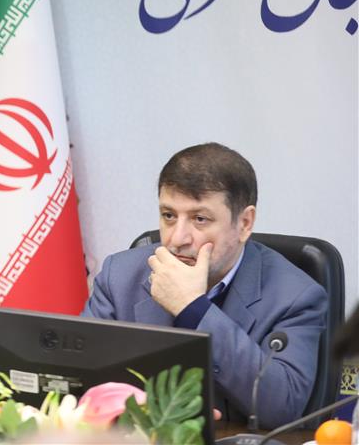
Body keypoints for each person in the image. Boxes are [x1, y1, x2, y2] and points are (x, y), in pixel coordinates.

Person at [82, 143, 327, 429]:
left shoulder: (296, 296)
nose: (177, 239)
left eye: (200, 219)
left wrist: (194, 309)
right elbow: (80, 382)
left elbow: (282, 407)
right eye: (168, 215)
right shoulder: (120, 276)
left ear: (244, 223)